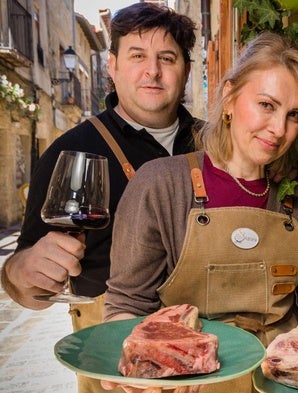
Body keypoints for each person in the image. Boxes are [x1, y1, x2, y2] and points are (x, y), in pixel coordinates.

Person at [102, 31, 298, 393]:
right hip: (188, 382)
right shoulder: (160, 186)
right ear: (229, 97)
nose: (279, 129)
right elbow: (127, 305)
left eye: (294, 115)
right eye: (266, 105)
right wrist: (144, 371)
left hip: (283, 385)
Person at [0, 2, 198, 392]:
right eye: (137, 56)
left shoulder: (217, 146)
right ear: (112, 66)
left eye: (167, 58)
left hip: (208, 342)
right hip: (112, 350)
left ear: (186, 69)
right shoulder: (69, 151)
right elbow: (22, 281)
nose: (152, 71)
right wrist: (22, 275)